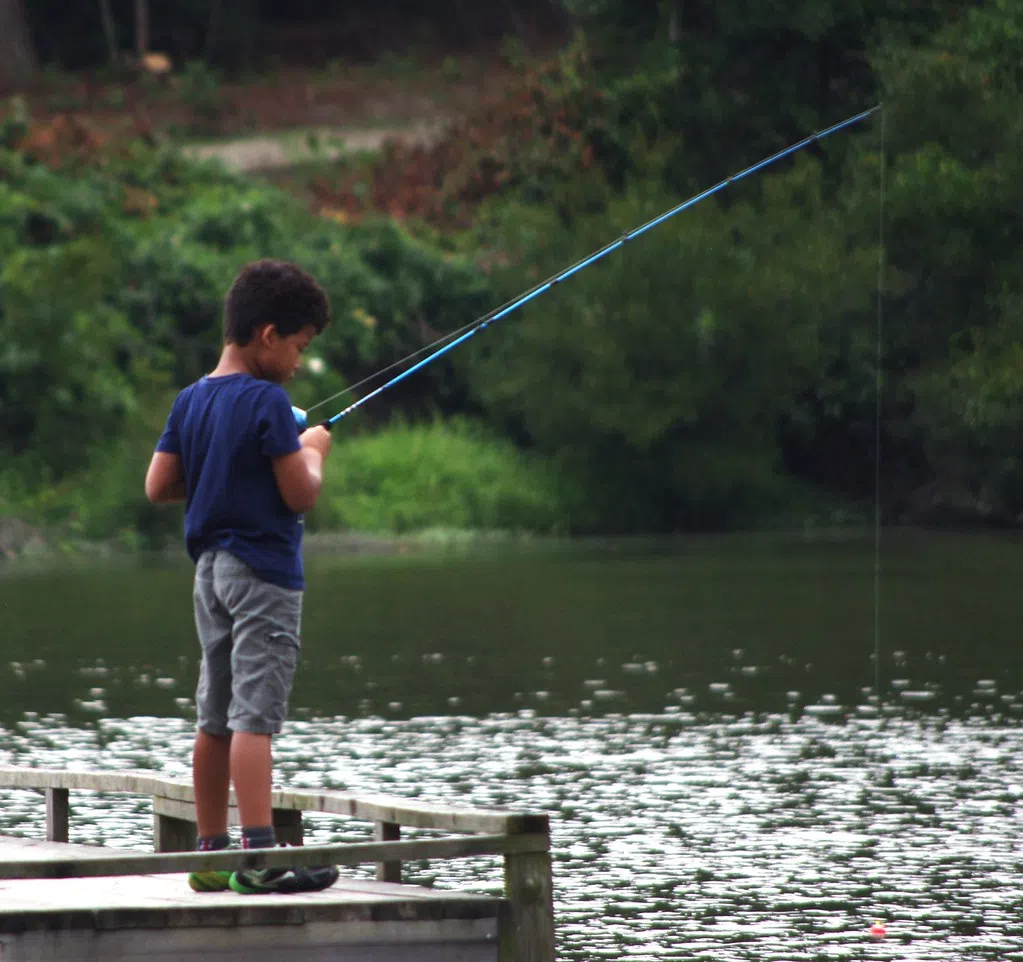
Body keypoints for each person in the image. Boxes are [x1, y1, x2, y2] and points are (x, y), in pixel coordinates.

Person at [145, 259, 337, 895]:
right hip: (263, 574)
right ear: (268, 334)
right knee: (255, 715)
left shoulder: (191, 398)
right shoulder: (267, 402)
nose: (299, 363)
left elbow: (159, 485)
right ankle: (262, 858)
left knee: (215, 715)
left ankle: (210, 853)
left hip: (211, 574)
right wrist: (313, 448)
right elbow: (299, 494)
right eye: (300, 348)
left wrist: (220, 472)